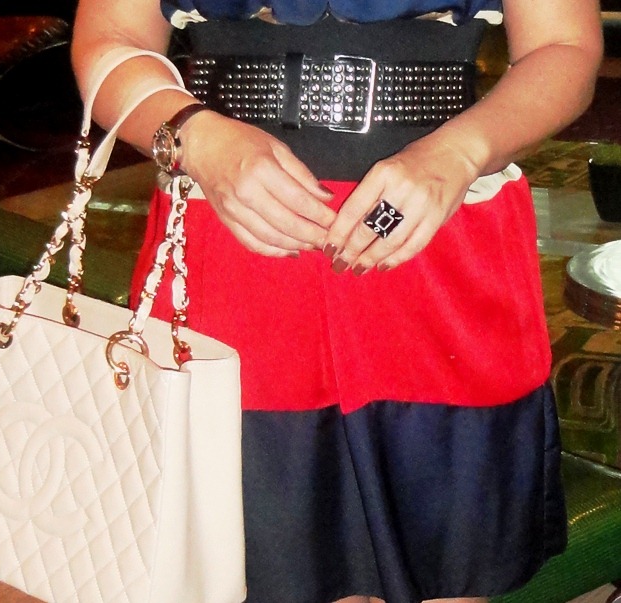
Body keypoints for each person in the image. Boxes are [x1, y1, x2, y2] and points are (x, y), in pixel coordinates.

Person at [71, 1, 602, 602]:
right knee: (255, 574)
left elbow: (564, 48)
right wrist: (194, 135)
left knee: (447, 576)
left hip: (434, 235)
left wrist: (459, 152)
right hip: (233, 237)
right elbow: (108, 38)